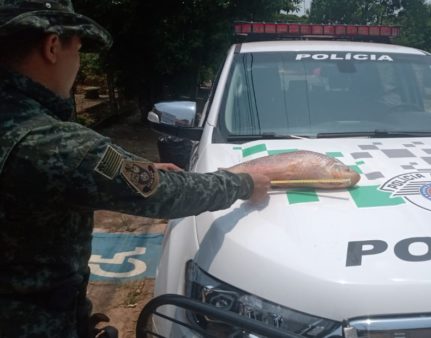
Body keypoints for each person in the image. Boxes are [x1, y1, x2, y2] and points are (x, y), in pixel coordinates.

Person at [0, 1, 270, 337]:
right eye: (79, 50)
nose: (79, 65)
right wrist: (243, 183)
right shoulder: (55, 143)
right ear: (52, 46)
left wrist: (131, 170)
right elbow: (169, 194)